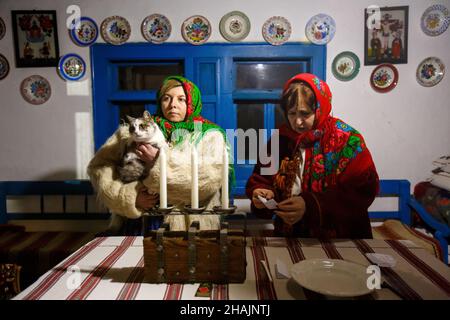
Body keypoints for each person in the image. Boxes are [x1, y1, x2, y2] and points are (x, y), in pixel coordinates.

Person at [87, 75, 232, 235]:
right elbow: (99, 167)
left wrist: (158, 162)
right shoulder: (133, 131)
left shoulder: (210, 135)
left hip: (190, 224)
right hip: (139, 221)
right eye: (166, 98)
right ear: (159, 101)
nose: (173, 105)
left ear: (192, 102)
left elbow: (209, 181)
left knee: (185, 260)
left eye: (181, 99)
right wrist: (129, 197)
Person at [246, 73, 379, 239]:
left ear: (319, 109)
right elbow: (262, 176)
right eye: (292, 113)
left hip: (340, 238)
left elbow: (362, 190)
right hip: (291, 235)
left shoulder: (347, 140)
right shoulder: (280, 138)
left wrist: (310, 206)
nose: (298, 122)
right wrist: (262, 192)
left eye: (305, 113)